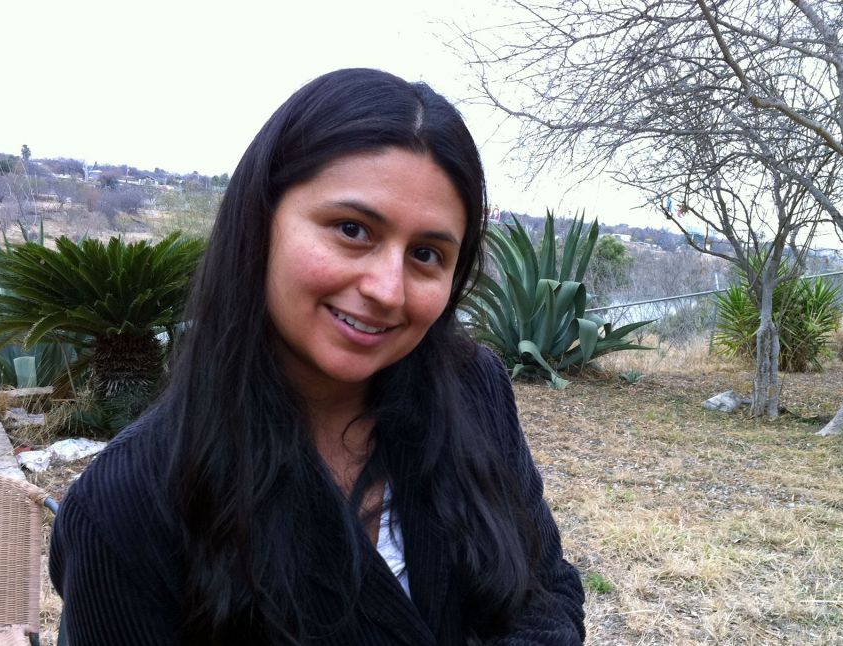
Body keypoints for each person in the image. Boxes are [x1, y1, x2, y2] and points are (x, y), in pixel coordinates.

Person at [49, 68, 585, 645]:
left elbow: (546, 590)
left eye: (426, 253)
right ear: (262, 220)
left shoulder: (474, 389)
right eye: (352, 229)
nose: (387, 289)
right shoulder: (129, 505)